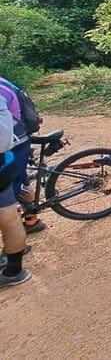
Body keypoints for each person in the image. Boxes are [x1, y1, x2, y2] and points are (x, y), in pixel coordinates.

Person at [0, 77, 43, 234]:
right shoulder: (3, 82)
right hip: (19, 140)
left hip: (13, 145)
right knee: (20, 181)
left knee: (10, 194)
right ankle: (32, 220)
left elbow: (3, 140)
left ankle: (14, 245)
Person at [0, 96, 31, 287]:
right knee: (9, 214)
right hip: (11, 151)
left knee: (8, 216)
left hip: (11, 150)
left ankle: (13, 270)